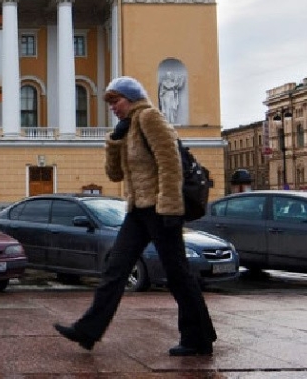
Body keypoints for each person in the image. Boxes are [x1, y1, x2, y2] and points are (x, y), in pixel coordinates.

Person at [54, 76, 217, 356]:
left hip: (160, 208)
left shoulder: (150, 118)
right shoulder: (127, 129)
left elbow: (170, 163)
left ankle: (198, 337)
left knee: (177, 274)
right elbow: (115, 175)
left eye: (116, 101)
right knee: (115, 269)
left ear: (132, 98)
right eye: (110, 103)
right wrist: (114, 143)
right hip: (138, 210)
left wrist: (169, 206)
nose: (113, 107)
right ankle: (88, 330)